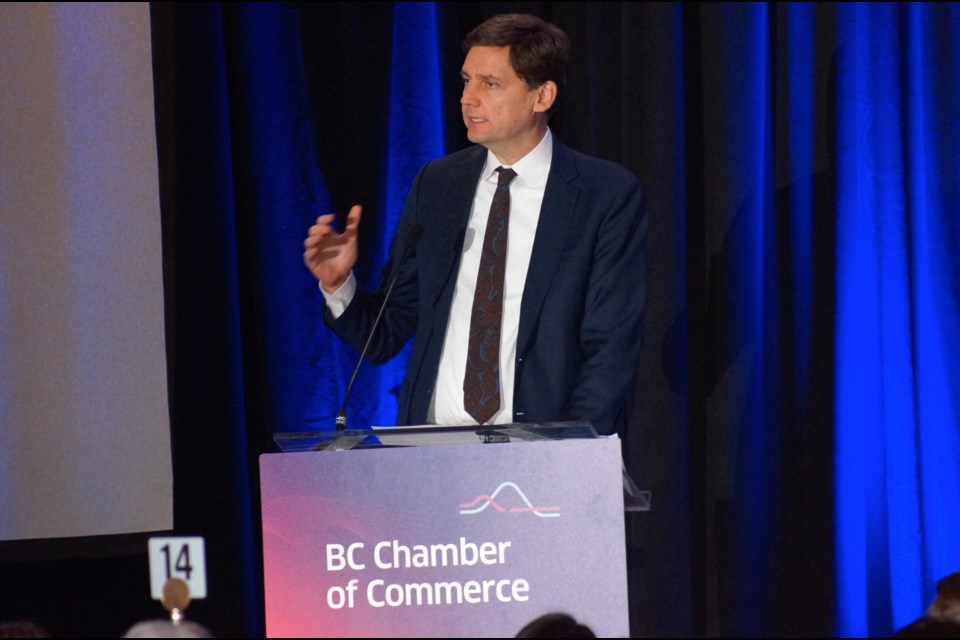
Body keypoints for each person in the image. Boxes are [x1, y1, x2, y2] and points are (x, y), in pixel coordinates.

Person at [303, 13, 647, 436]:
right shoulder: (438, 185)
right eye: (466, 81)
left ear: (542, 96)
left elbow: (609, 349)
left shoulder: (603, 195)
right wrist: (340, 285)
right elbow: (387, 333)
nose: (467, 99)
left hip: (543, 457)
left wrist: (566, 453)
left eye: (490, 84)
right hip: (434, 453)